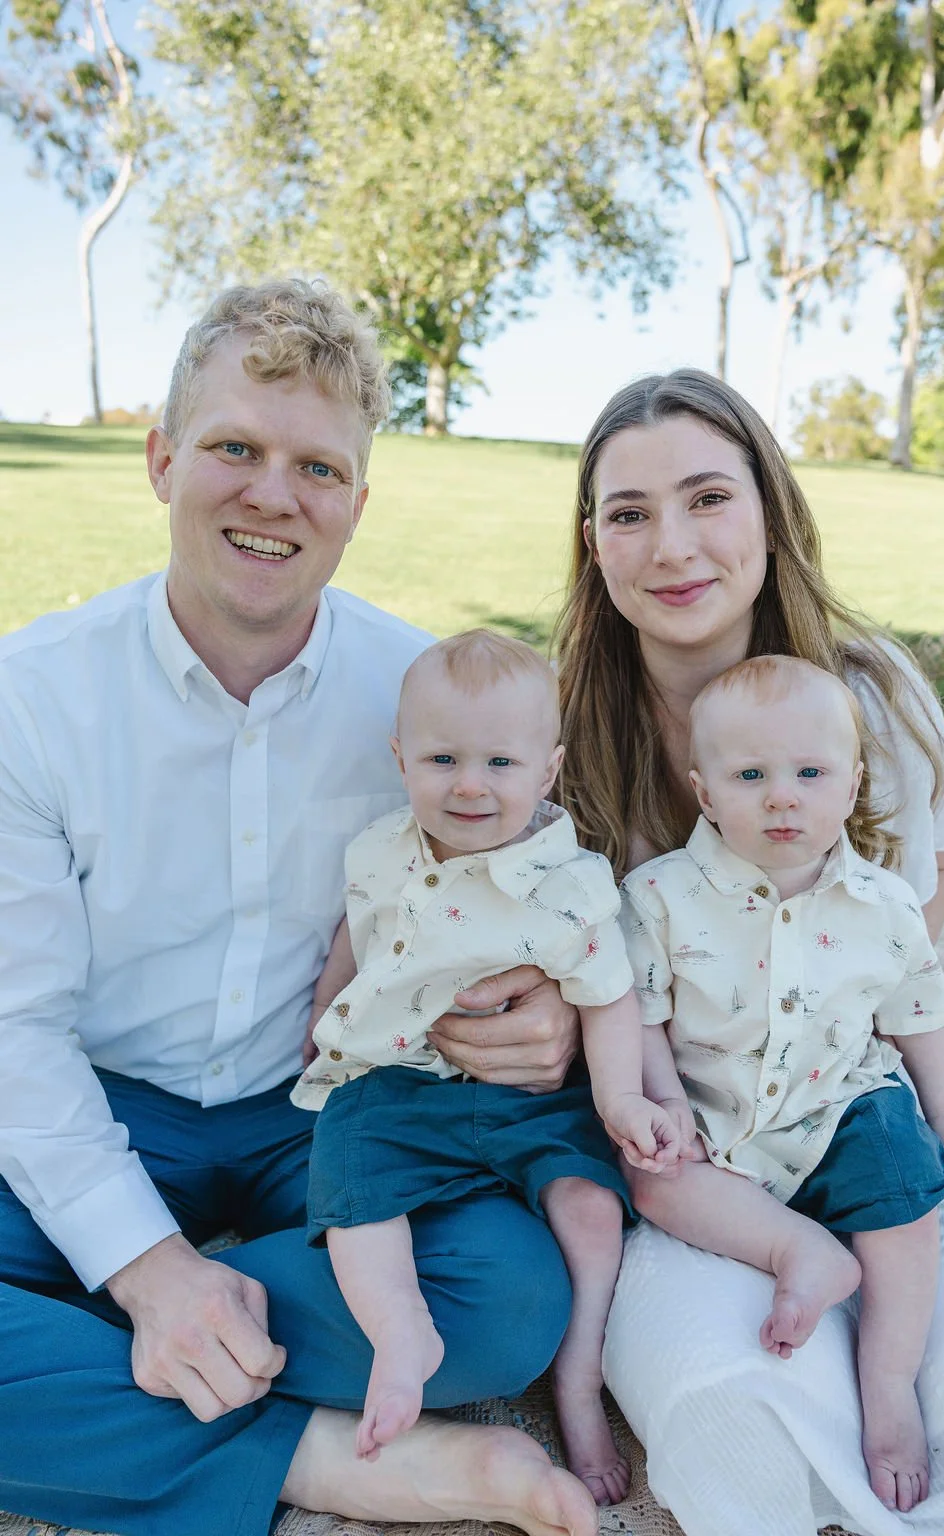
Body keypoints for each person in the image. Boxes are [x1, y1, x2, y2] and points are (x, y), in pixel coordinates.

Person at [0, 279, 597, 1536]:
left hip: (320, 1114)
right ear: (162, 460)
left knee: (503, 1297)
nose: (273, 494)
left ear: (358, 505)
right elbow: (16, 1031)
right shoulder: (33, 697)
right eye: (234, 448)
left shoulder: (420, 696)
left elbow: (531, 883)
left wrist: (545, 1010)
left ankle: (116, 1358)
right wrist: (149, 1267)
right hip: (102, 1099)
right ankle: (319, 1459)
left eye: (316, 468)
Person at [554, 368, 944, 1536]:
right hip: (681, 1134)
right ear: (594, 545)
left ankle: (896, 1394)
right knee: (741, 1399)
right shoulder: (555, 727)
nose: (671, 545)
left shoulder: (863, 698)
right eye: (628, 512)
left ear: (769, 511)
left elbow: (906, 941)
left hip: (841, 1089)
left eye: (709, 497)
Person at [292, 628, 691, 1501]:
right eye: (442, 758)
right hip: (402, 1088)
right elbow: (353, 942)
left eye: (500, 763)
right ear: (401, 760)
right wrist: (326, 1016)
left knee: (591, 1210)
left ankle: (579, 1380)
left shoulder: (572, 881)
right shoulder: (379, 854)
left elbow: (608, 993)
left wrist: (622, 1097)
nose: (470, 784)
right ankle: (402, 1335)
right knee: (355, 1181)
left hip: (531, 1098)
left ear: (547, 771)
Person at [620, 653, 944, 1514]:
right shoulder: (660, 898)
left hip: (844, 1103)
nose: (782, 795)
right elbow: (639, 1011)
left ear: (853, 782)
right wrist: (663, 1101)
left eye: (810, 773)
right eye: (750, 775)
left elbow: (917, 1015)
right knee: (655, 1181)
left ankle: (890, 1383)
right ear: (704, 789)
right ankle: (800, 1252)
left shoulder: (883, 901)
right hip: (718, 1116)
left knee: (907, 1203)